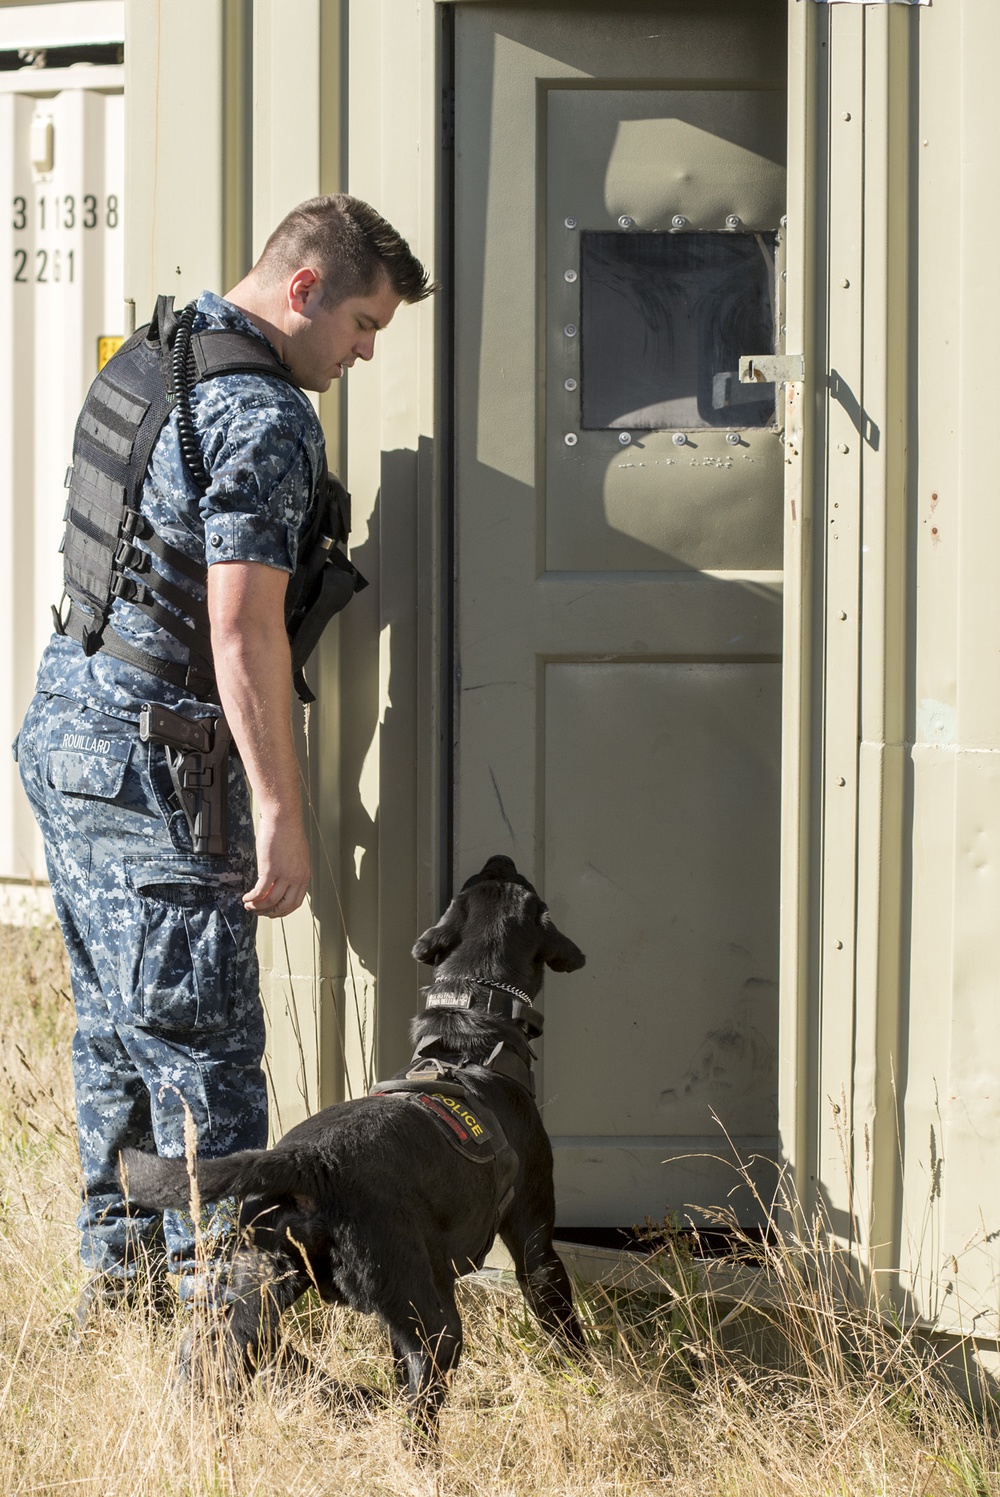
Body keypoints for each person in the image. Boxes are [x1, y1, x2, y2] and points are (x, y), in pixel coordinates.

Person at [13, 194, 432, 1323]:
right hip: (163, 768)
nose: (365, 350)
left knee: (114, 1034)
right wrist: (280, 809)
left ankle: (125, 1289)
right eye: (361, 322)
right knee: (204, 1057)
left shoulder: (148, 360)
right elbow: (242, 625)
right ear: (303, 290)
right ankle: (225, 1334)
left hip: (68, 742)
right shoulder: (261, 415)